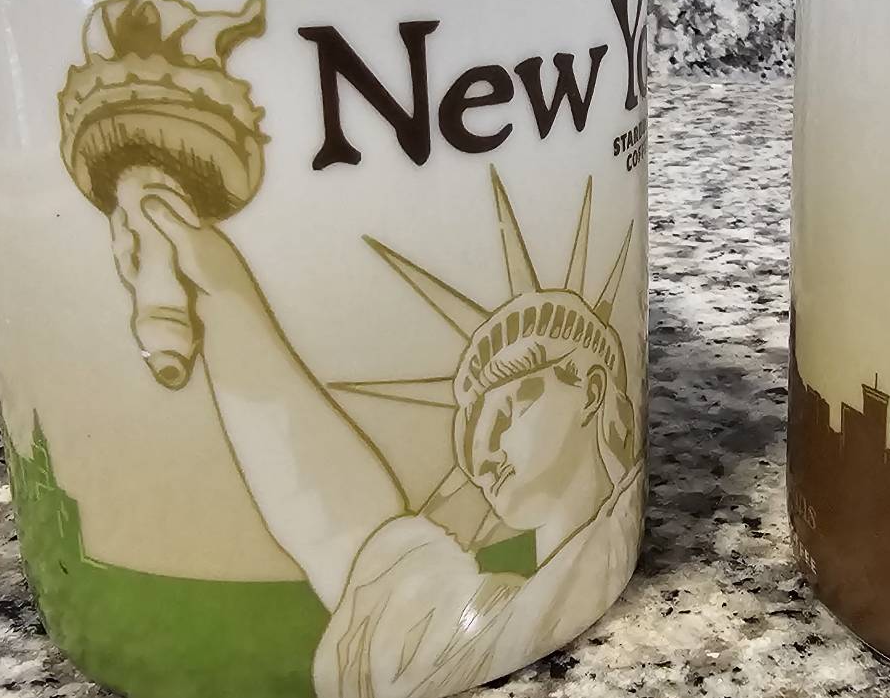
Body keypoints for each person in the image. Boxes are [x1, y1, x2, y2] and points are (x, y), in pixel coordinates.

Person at [106, 164, 642, 698]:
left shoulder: (591, 564)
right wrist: (224, 297)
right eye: (473, 430)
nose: (482, 456)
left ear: (591, 389)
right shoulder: (498, 625)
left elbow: (359, 548)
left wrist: (225, 297)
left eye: (509, 408)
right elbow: (354, 540)